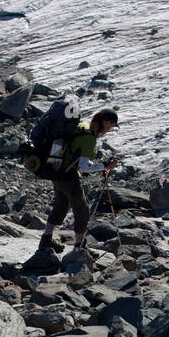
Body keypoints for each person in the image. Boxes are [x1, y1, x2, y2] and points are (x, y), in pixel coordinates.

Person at [36, 108, 118, 256]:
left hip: (56, 169)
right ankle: (79, 247)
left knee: (61, 205)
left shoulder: (83, 126)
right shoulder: (90, 137)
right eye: (111, 125)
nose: (110, 129)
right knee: (82, 210)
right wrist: (104, 166)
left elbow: (77, 155)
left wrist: (97, 168)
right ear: (105, 122)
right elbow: (83, 166)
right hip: (68, 176)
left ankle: (46, 238)